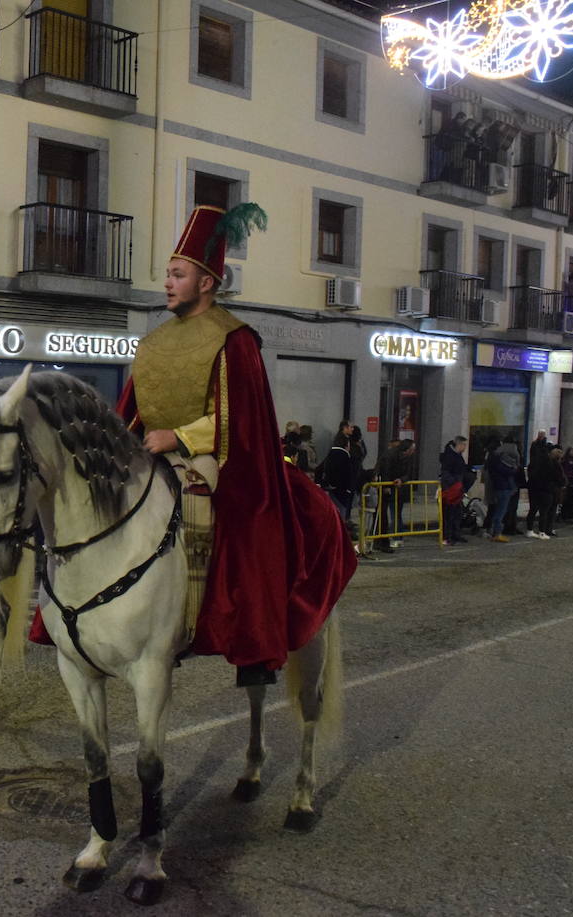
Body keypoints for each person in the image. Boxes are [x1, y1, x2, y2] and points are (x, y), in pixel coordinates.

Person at [92, 203, 356, 686]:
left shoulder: (234, 340)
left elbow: (243, 420)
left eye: (177, 274)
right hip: (150, 453)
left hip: (212, 457)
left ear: (207, 282)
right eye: (167, 275)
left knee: (239, 523)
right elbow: (131, 409)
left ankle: (245, 631)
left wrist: (180, 437)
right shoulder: (152, 343)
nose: (167, 283)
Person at [438, 435, 471, 546]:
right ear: (459, 444)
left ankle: (455, 534)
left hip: (457, 488)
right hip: (451, 489)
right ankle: (447, 535)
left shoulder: (457, 456)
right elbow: (446, 473)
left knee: (457, 513)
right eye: (464, 445)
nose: (465, 447)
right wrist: (455, 483)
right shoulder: (450, 456)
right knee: (449, 514)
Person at [486, 435, 519, 542]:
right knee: (501, 511)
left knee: (498, 510)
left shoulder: (492, 459)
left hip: (500, 486)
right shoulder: (497, 460)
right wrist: (513, 469)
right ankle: (497, 533)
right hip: (503, 487)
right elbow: (508, 471)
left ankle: (494, 531)